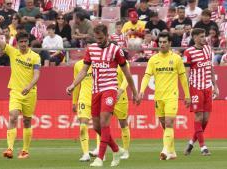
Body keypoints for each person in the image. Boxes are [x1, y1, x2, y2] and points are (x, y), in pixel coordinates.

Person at [66, 24, 139, 167]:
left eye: (101, 38)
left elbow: (127, 74)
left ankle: (100, 158)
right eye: (96, 38)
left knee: (105, 122)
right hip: (95, 91)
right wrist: (73, 85)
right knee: (97, 127)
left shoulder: (116, 50)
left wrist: (135, 92)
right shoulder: (91, 49)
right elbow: (83, 70)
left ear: (107, 36)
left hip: (110, 89)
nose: (98, 41)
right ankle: (116, 149)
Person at [0, 15, 41, 159]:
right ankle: (9, 148)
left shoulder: (35, 57)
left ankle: (25, 150)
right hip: (15, 91)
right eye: (20, 42)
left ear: (28, 42)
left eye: (25, 42)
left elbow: (37, 75)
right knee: (13, 116)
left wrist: (29, 86)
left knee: (27, 121)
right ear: (17, 42)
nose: (23, 44)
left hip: (30, 92)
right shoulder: (12, 51)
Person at [139, 32, 191, 160]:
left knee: (168, 123)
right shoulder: (153, 59)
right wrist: (141, 91)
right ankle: (172, 152)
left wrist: (187, 95)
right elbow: (146, 76)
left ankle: (165, 150)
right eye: (160, 42)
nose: (162, 44)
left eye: (164, 42)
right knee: (164, 124)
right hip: (158, 97)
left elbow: (183, 78)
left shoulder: (177, 59)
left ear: (170, 43)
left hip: (172, 96)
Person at [183, 28, 219, 156]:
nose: (205, 38)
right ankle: (203, 147)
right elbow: (186, 75)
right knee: (199, 117)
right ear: (195, 38)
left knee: (205, 119)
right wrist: (186, 93)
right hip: (195, 87)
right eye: (202, 36)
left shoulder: (208, 49)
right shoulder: (188, 52)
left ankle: (192, 142)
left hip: (207, 88)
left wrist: (215, 85)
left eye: (205, 36)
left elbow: (211, 68)